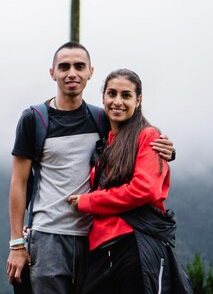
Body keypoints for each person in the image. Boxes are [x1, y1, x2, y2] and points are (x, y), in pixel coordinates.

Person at [6, 43, 175, 294]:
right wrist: (17, 244)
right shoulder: (34, 119)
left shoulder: (101, 118)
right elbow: (19, 182)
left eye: (79, 66)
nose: (71, 73)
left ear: (90, 72)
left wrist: (167, 151)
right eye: (64, 67)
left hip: (94, 240)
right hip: (49, 236)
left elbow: (134, 139)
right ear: (52, 73)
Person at [68, 69, 191, 294]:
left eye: (126, 95)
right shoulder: (105, 141)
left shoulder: (147, 136)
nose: (117, 101)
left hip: (134, 244)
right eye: (112, 93)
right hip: (100, 248)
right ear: (103, 97)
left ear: (138, 100)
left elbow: (145, 190)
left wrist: (90, 201)